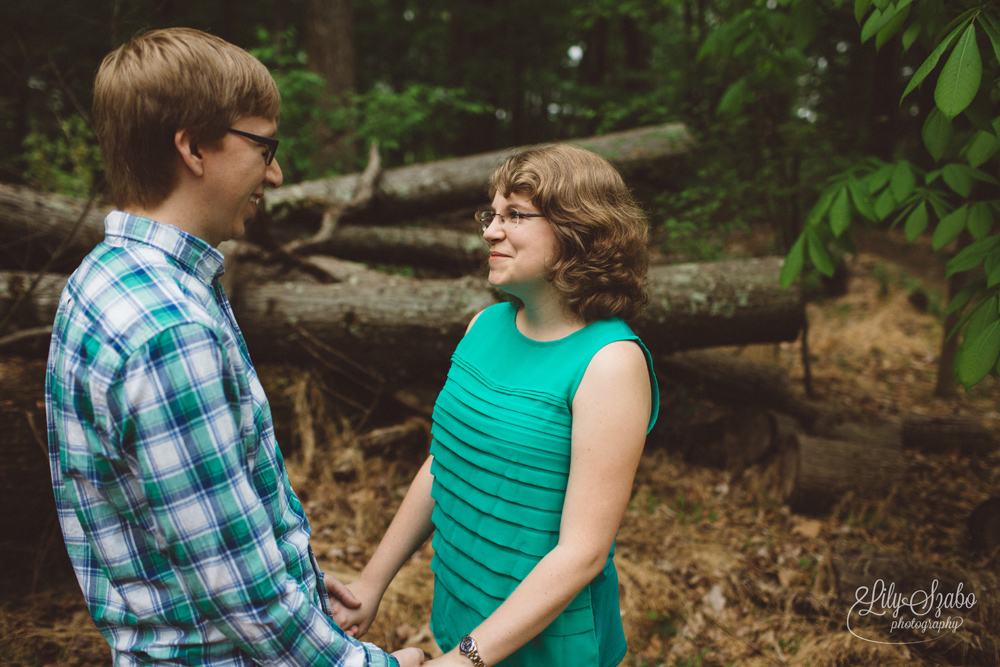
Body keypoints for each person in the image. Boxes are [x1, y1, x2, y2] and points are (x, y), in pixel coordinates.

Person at [44, 27, 423, 667]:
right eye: (262, 146)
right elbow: (236, 590)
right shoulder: (169, 331)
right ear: (193, 147)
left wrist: (294, 580)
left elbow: (198, 532)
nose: (274, 172)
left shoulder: (103, 279)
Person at [328, 143, 659, 666]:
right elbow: (446, 465)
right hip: (464, 615)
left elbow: (583, 553)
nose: (490, 230)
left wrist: (465, 661)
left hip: (547, 645)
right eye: (492, 214)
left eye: (515, 215)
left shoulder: (610, 363)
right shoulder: (484, 327)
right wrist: (371, 583)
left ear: (579, 231)